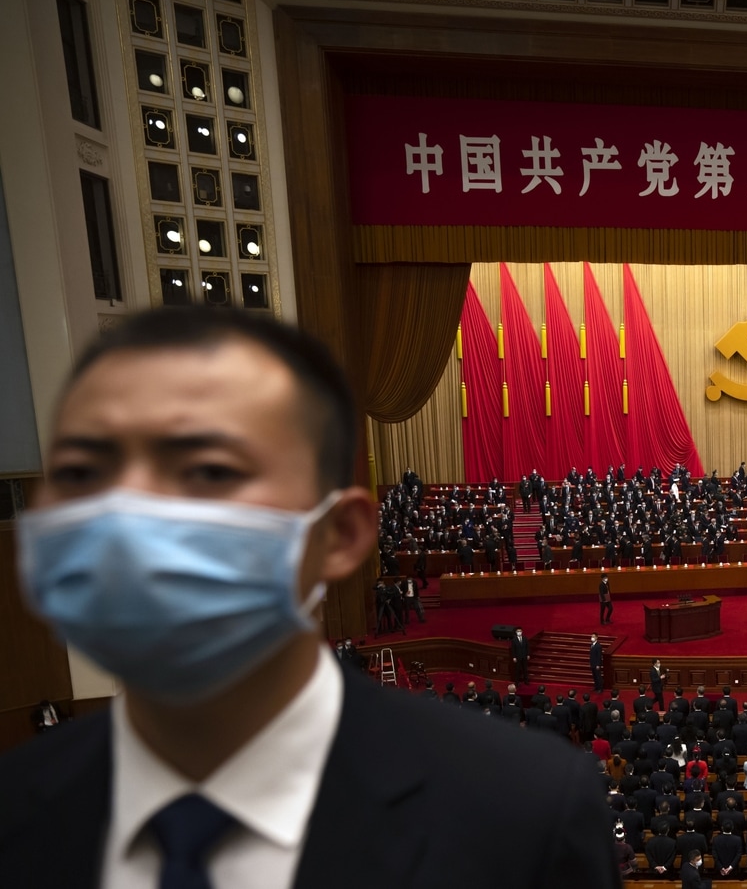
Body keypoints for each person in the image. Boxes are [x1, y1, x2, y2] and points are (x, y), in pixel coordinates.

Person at [0, 307, 618, 886]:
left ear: (341, 535)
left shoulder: (524, 811)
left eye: (208, 471)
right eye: (84, 473)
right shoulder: (17, 811)